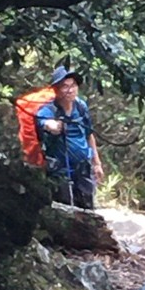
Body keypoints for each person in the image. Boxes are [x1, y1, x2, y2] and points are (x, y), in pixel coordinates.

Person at [36, 66, 104, 208]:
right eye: (65, 86)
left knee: (88, 212)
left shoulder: (81, 106)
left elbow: (88, 134)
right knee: (65, 211)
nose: (70, 90)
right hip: (60, 172)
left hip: (83, 169)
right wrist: (52, 126)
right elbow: (45, 122)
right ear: (56, 90)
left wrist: (97, 163)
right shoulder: (48, 110)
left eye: (73, 85)